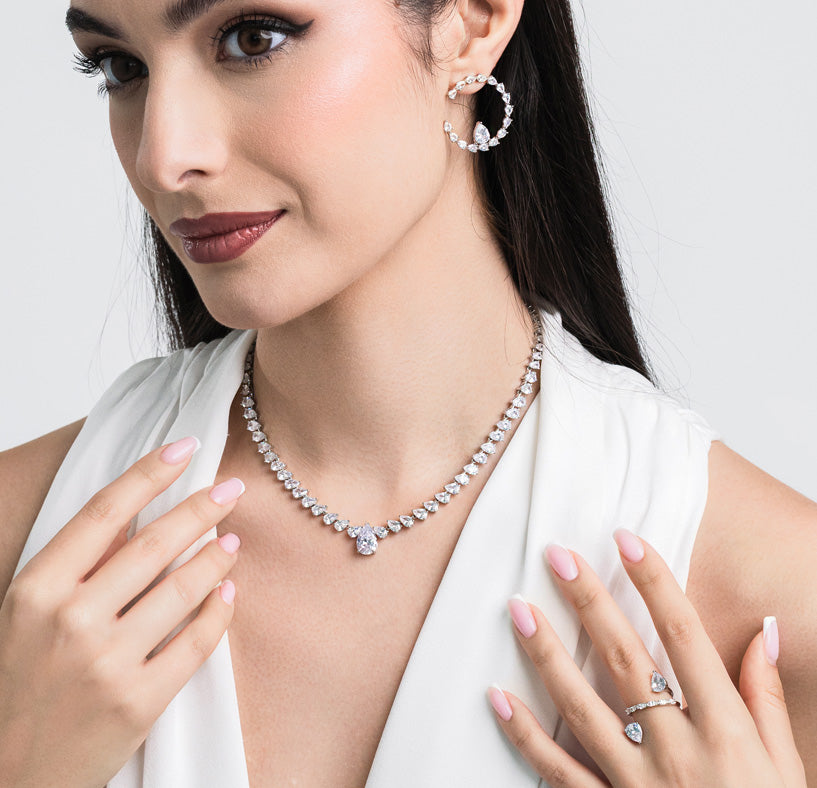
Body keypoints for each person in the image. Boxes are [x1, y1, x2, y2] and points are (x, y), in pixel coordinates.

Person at [0, 0, 813, 786]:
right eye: (120, 66)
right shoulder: (24, 555)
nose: (163, 157)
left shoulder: (773, 614)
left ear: (474, 20)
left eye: (251, 38)